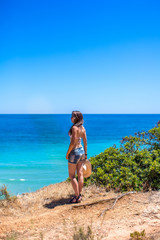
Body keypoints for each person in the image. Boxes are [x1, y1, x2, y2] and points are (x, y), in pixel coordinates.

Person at [66, 111, 87, 203]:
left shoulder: (74, 128)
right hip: (81, 151)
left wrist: (67, 153)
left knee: (72, 176)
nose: (71, 118)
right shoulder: (82, 128)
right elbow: (85, 142)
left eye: (72, 116)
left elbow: (73, 142)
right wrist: (86, 154)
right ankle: (79, 195)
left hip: (74, 152)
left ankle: (77, 196)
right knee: (80, 174)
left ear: (76, 118)